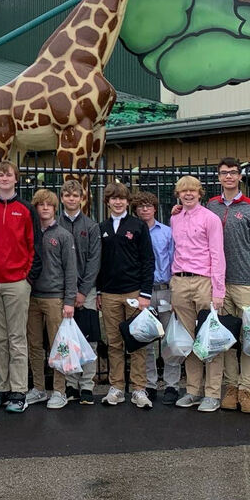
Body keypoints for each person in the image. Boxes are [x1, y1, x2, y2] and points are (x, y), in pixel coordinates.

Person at [205, 158, 250, 415]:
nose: (228, 176)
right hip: (219, 284)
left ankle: (247, 389)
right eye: (223, 173)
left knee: (249, 338)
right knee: (227, 338)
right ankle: (230, 387)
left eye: (233, 172)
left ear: (240, 176)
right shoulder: (210, 206)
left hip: (246, 282)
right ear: (218, 177)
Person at [170, 176, 227, 411]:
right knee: (189, 340)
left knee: (209, 340)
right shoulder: (174, 218)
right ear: (178, 194)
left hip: (204, 282)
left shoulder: (210, 219)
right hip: (180, 282)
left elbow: (218, 255)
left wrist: (218, 291)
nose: (188, 194)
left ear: (200, 193)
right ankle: (193, 390)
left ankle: (212, 393)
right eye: (184, 191)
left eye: (192, 190)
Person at [96, 182, 155, 409]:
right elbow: (98, 263)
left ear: (127, 202)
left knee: (137, 342)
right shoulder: (101, 227)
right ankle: (117, 387)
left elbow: (148, 261)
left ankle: (139, 389)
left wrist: (145, 295)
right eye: (113, 198)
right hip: (110, 294)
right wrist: (99, 291)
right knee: (114, 343)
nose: (118, 202)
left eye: (121, 198)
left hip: (134, 293)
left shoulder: (138, 226)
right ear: (107, 202)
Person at [0, 160, 35, 412]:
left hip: (17, 283)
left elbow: (34, 244)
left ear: (16, 179)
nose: (4, 178)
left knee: (17, 338)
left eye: (9, 174)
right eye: (0, 174)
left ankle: (18, 390)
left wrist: (27, 276)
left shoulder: (25, 209)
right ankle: (1, 387)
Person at [24, 189, 77, 410]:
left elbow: (71, 270)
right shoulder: (31, 233)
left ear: (55, 208)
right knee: (34, 345)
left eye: (49, 205)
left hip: (55, 299)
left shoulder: (63, 235)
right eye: (41, 204)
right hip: (32, 296)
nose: (45, 208)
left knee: (59, 347)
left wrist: (69, 301)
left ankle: (59, 390)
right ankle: (38, 388)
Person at [132, 191, 181, 405]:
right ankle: (150, 383)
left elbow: (174, 259)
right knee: (147, 340)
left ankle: (172, 384)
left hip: (165, 288)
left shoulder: (167, 233)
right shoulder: (133, 232)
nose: (145, 209)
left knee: (170, 339)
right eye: (140, 206)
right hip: (143, 292)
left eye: (148, 205)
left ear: (154, 208)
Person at [57, 179, 100, 405]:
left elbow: (94, 261)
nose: (71, 199)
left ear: (82, 199)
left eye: (75, 195)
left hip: (87, 291)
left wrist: (83, 292)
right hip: (62, 291)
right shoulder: (55, 225)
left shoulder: (91, 226)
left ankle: (87, 385)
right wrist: (68, 293)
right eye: (67, 195)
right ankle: (71, 384)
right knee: (68, 337)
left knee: (89, 337)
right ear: (62, 198)